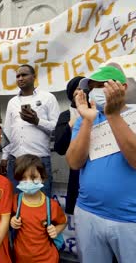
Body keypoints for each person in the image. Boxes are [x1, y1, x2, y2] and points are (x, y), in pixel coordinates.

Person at [66, 66, 136, 262]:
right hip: (88, 213)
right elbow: (74, 162)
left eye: (104, 85)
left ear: (123, 87)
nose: (97, 90)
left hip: (134, 220)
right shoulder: (85, 118)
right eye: (93, 86)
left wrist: (113, 115)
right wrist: (87, 120)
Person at [0, 64, 60, 196]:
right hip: (15, 160)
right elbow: (7, 132)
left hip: (39, 160)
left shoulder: (48, 98)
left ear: (34, 77)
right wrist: (4, 157)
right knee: (16, 202)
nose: (20, 78)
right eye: (17, 76)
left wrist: (37, 121)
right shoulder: (12, 102)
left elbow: (57, 129)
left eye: (24, 75)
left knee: (42, 203)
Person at [10, 154, 67, 263]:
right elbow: (6, 218)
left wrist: (56, 230)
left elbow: (63, 222)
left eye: (33, 177)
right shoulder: (15, 201)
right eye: (23, 178)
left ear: (43, 178)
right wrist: (12, 221)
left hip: (47, 258)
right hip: (20, 258)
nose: (28, 182)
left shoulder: (51, 205)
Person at [53, 76, 84, 214]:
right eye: (78, 88)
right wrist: (71, 124)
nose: (83, 92)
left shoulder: (99, 111)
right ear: (71, 92)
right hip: (78, 172)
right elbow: (59, 147)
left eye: (86, 88)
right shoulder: (66, 115)